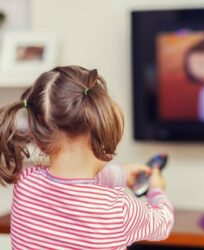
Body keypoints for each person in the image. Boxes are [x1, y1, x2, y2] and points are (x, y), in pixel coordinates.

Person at [0, 66, 174, 249]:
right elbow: (163, 221)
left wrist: (122, 174)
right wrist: (156, 189)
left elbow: (73, 181)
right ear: (106, 133)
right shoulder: (120, 210)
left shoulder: (26, 182)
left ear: (39, 140)